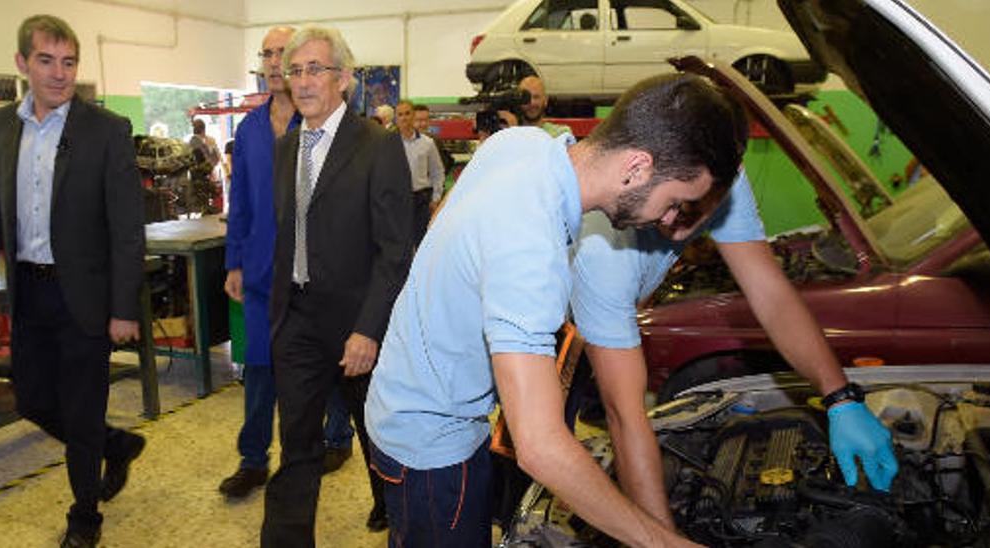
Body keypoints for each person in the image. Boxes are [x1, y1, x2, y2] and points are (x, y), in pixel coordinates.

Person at [365, 74, 750, 546]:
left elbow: (442, 224)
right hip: (433, 449)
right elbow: (541, 448)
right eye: (675, 202)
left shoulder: (522, 145)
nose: (670, 221)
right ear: (636, 167)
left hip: (402, 403)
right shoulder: (531, 244)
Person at [568, 172, 898, 532]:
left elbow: (771, 295)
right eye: (677, 205)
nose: (681, 224)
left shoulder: (720, 172)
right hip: (549, 332)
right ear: (645, 165)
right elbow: (624, 415)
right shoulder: (603, 254)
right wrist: (662, 540)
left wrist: (841, 397)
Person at [0, 15, 146, 548]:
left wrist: (124, 307)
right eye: (46, 61)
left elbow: (126, 228)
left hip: (86, 297)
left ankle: (84, 519)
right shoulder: (1, 125)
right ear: (22, 64)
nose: (59, 74)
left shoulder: (106, 130)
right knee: (33, 401)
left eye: (68, 62)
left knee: (82, 408)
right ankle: (113, 445)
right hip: (29, 290)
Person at [260, 25, 413, 545]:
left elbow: (395, 252)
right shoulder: (286, 149)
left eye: (315, 70)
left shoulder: (378, 146)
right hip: (297, 320)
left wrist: (368, 330)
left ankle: (395, 511)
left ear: (344, 79)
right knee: (297, 444)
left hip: (356, 324)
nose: (303, 82)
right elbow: (288, 234)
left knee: (378, 437)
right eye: (295, 71)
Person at [219, 25, 301, 499]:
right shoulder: (250, 128)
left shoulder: (314, 124)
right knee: (258, 367)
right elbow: (241, 201)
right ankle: (253, 460)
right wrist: (234, 261)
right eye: (267, 54)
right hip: (258, 272)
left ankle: (329, 442)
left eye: (282, 53)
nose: (273, 63)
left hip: (308, 273)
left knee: (313, 369)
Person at [394, 100, 445, 248]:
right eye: (400, 114)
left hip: (421, 200)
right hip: (397, 200)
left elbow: (438, 171)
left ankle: (420, 271)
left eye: (407, 113)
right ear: (396, 118)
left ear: (413, 116)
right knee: (399, 244)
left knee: (422, 243)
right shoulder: (388, 143)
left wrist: (436, 198)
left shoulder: (428, 143)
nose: (404, 118)